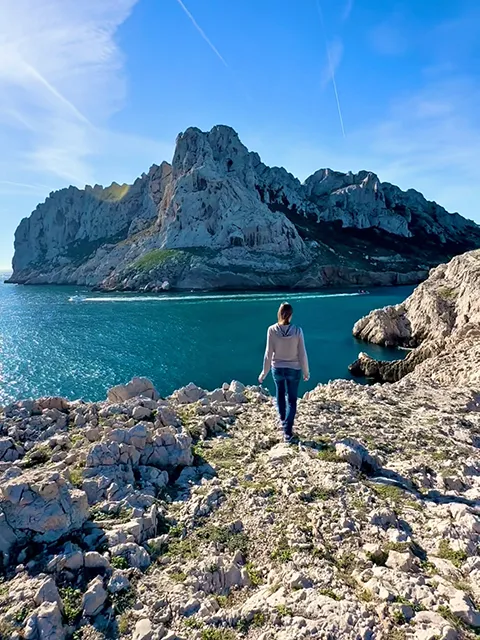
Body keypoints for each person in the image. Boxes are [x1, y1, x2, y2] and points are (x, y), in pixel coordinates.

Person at [258, 302, 310, 443]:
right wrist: (306, 371)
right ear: (291, 315)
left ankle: (282, 421)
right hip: (294, 369)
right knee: (292, 400)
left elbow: (268, 354)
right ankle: (287, 432)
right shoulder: (297, 331)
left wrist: (264, 372)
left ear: (279, 314)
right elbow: (302, 353)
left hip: (277, 368)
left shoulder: (271, 330)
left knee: (280, 394)